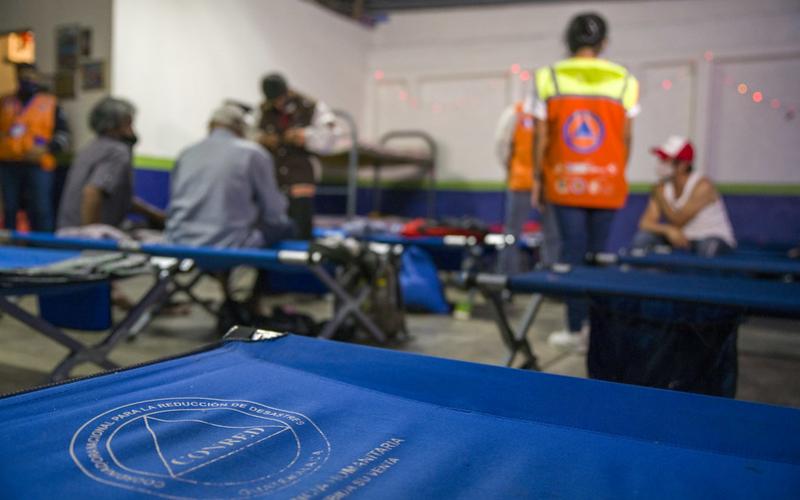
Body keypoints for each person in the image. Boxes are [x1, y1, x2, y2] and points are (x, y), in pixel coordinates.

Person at [531, 12, 640, 350]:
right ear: (604, 42)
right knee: (598, 256)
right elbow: (626, 137)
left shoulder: (549, 77)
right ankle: (597, 331)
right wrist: (613, 170)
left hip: (565, 182)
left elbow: (542, 137)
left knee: (572, 255)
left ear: (568, 40)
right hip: (607, 182)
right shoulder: (624, 80)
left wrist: (538, 179)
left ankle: (575, 328)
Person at [165, 102, 292, 248]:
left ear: (210, 125)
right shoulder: (253, 154)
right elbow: (274, 212)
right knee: (287, 227)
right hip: (229, 243)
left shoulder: (186, 153)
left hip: (178, 240)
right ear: (242, 128)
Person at [57, 97, 164, 230]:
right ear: (113, 125)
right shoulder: (117, 152)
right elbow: (92, 193)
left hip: (65, 231)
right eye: (128, 123)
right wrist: (92, 236)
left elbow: (120, 199)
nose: (132, 130)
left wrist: (155, 215)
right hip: (82, 236)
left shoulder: (90, 148)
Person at [256, 73, 337, 240]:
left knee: (300, 225)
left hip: (300, 174)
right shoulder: (262, 110)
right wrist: (263, 139)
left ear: (287, 91)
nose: (277, 104)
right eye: (273, 101)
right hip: (273, 175)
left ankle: (300, 251)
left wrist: (305, 136)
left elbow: (330, 138)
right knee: (271, 225)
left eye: (280, 98)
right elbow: (250, 135)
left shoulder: (310, 106)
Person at [633, 136, 735, 256]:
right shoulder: (661, 187)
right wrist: (667, 230)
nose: (660, 164)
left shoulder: (703, 186)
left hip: (711, 236)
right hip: (680, 236)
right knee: (643, 239)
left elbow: (679, 220)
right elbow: (645, 223)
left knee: (706, 248)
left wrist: (660, 197)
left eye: (665, 160)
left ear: (683, 165)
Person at [0, 63, 70, 231]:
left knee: (41, 208)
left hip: (39, 164)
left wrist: (47, 148)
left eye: (31, 76)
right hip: (9, 164)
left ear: (37, 77)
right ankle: (10, 244)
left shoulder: (50, 103)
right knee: (10, 208)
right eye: (23, 76)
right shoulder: (5, 102)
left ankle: (44, 244)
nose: (27, 80)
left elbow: (64, 136)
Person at [494, 99, 560, 274]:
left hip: (530, 182)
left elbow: (502, 144)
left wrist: (511, 168)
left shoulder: (517, 112)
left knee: (514, 233)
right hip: (541, 183)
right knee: (549, 235)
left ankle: (508, 276)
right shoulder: (520, 112)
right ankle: (550, 277)